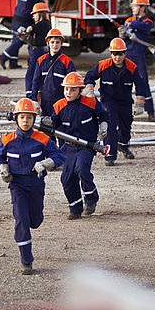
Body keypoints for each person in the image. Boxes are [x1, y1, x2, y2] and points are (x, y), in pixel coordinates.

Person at [0, 98, 64, 275]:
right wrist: (3, 168)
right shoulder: (7, 139)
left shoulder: (42, 139)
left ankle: (34, 220)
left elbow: (59, 156)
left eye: (29, 118)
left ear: (34, 119)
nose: (25, 121)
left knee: (35, 220)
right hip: (17, 186)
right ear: (16, 118)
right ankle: (26, 261)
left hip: (36, 185)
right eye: (22, 117)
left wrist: (46, 163)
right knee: (21, 221)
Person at [44, 72, 109, 220]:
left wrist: (104, 126)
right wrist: (46, 122)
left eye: (73, 89)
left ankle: (91, 198)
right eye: (66, 89)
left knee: (82, 170)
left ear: (80, 90)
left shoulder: (90, 102)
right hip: (67, 147)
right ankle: (75, 207)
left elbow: (104, 114)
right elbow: (54, 123)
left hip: (87, 145)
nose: (69, 92)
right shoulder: (59, 106)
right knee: (66, 178)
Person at [84, 38, 150, 166]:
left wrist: (140, 103)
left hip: (125, 101)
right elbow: (89, 76)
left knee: (126, 126)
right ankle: (110, 154)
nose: (117, 57)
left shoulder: (132, 67)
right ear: (111, 54)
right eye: (114, 53)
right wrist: (90, 90)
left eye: (120, 54)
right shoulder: (103, 65)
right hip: (108, 101)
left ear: (125, 54)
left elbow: (141, 85)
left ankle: (123, 146)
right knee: (111, 126)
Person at [119, 0, 155, 118]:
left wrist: (130, 26)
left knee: (143, 82)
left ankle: (150, 111)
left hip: (139, 56)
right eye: (132, 6)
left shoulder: (147, 22)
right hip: (127, 55)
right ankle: (125, 110)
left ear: (142, 8)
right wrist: (122, 34)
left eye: (135, 6)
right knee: (124, 83)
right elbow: (124, 32)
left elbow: (143, 27)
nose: (132, 8)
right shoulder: (129, 21)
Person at [0, 0, 43, 69]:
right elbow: (40, 3)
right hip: (24, 21)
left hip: (16, 19)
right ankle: (3, 57)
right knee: (19, 41)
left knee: (15, 40)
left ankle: (13, 63)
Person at [30, 28, 76, 116]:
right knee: (45, 126)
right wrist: (34, 100)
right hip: (45, 101)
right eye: (52, 42)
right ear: (47, 43)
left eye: (57, 42)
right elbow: (35, 82)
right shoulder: (41, 61)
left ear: (61, 43)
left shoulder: (67, 61)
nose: (55, 45)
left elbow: (73, 83)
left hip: (62, 101)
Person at [22, 2, 51, 99]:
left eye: (34, 14)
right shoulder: (42, 25)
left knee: (31, 75)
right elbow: (32, 38)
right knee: (36, 75)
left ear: (40, 14)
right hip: (36, 51)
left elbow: (31, 29)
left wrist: (26, 30)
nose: (33, 16)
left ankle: (30, 96)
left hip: (38, 52)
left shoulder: (43, 24)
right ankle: (35, 96)